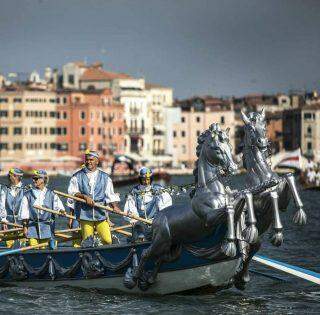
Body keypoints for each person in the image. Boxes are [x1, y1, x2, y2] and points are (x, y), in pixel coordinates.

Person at [67, 150, 121, 245]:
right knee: (88, 242)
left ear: (97, 161)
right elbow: (72, 192)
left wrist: (115, 206)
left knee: (107, 240)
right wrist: (84, 197)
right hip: (85, 215)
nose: (89, 162)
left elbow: (110, 195)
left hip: (100, 214)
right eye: (87, 160)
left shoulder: (105, 177)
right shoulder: (77, 176)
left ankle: (100, 248)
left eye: (91, 160)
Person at [18, 169, 65, 247]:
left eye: (36, 178)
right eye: (33, 178)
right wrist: (25, 228)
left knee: (46, 249)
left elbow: (59, 208)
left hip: (47, 228)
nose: (33, 180)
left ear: (43, 180)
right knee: (33, 250)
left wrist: (62, 211)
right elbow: (24, 214)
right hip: (32, 228)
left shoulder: (52, 194)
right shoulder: (27, 195)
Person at [0, 168, 26, 247]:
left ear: (16, 177)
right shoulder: (4, 189)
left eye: (10, 175)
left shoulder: (26, 189)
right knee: (9, 245)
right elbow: (2, 205)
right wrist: (3, 220)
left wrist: (26, 222)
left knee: (23, 245)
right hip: (9, 223)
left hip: (22, 223)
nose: (8, 177)